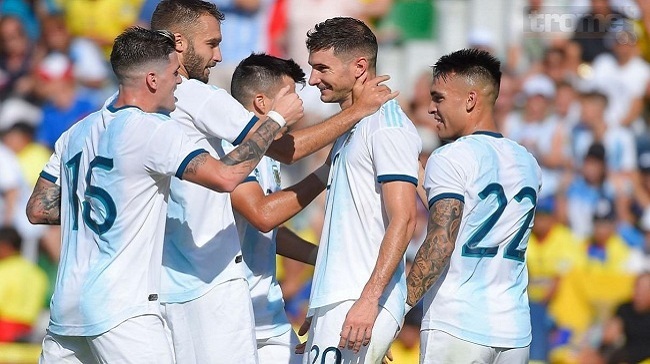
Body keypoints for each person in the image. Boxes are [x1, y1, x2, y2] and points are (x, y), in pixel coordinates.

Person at [25, 26, 302, 363]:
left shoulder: (76, 132)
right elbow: (227, 176)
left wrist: (116, 203)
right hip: (123, 312)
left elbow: (38, 208)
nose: (179, 83)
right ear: (153, 80)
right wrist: (275, 120)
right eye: (174, 74)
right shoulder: (154, 130)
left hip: (66, 310)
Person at [150, 1, 396, 362]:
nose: (219, 56)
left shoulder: (208, 124)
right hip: (207, 292)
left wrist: (326, 263)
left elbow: (266, 231)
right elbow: (267, 203)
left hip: (262, 304)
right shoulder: (199, 103)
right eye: (212, 44)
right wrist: (356, 118)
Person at [405, 48, 541, 363]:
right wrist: (417, 172)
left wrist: (396, 309)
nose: (430, 108)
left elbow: (441, 241)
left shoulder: (450, 155)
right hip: (514, 329)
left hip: (457, 326)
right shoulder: (527, 161)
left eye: (438, 98)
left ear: (469, 100)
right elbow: (470, 218)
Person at [298, 17, 421, 363]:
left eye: (322, 68)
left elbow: (406, 219)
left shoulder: (386, 125)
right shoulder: (354, 125)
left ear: (360, 67)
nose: (312, 79)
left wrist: (370, 301)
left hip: (357, 301)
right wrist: (322, 299)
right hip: (339, 299)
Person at [225, 53, 323, 364]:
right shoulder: (228, 146)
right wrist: (327, 172)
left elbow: (265, 231)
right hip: (226, 315)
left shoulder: (269, 151)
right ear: (261, 103)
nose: (299, 103)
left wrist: (318, 258)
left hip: (268, 308)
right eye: (290, 94)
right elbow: (263, 215)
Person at [0, 225, 47, 342]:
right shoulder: (38, 273)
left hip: (4, 331)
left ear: (5, 246)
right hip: (28, 332)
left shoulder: (4, 270)